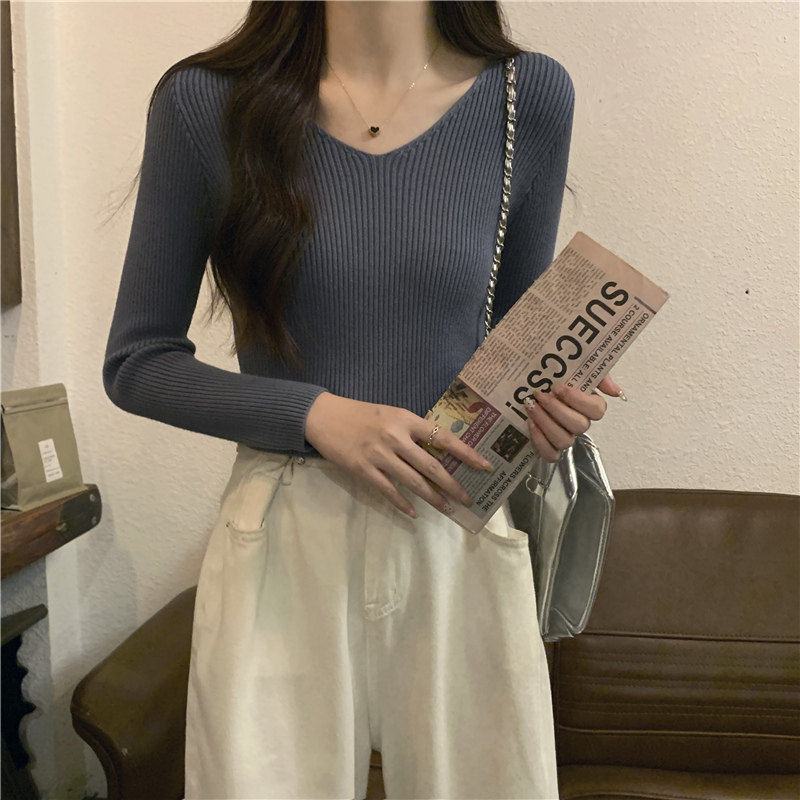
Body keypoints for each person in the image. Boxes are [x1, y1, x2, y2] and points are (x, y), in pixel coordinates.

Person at [103, 2, 622, 798]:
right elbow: (137, 363)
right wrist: (314, 415)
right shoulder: (207, 102)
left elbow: (510, 361)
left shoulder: (528, 98)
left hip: (456, 523)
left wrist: (547, 414)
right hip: (284, 530)